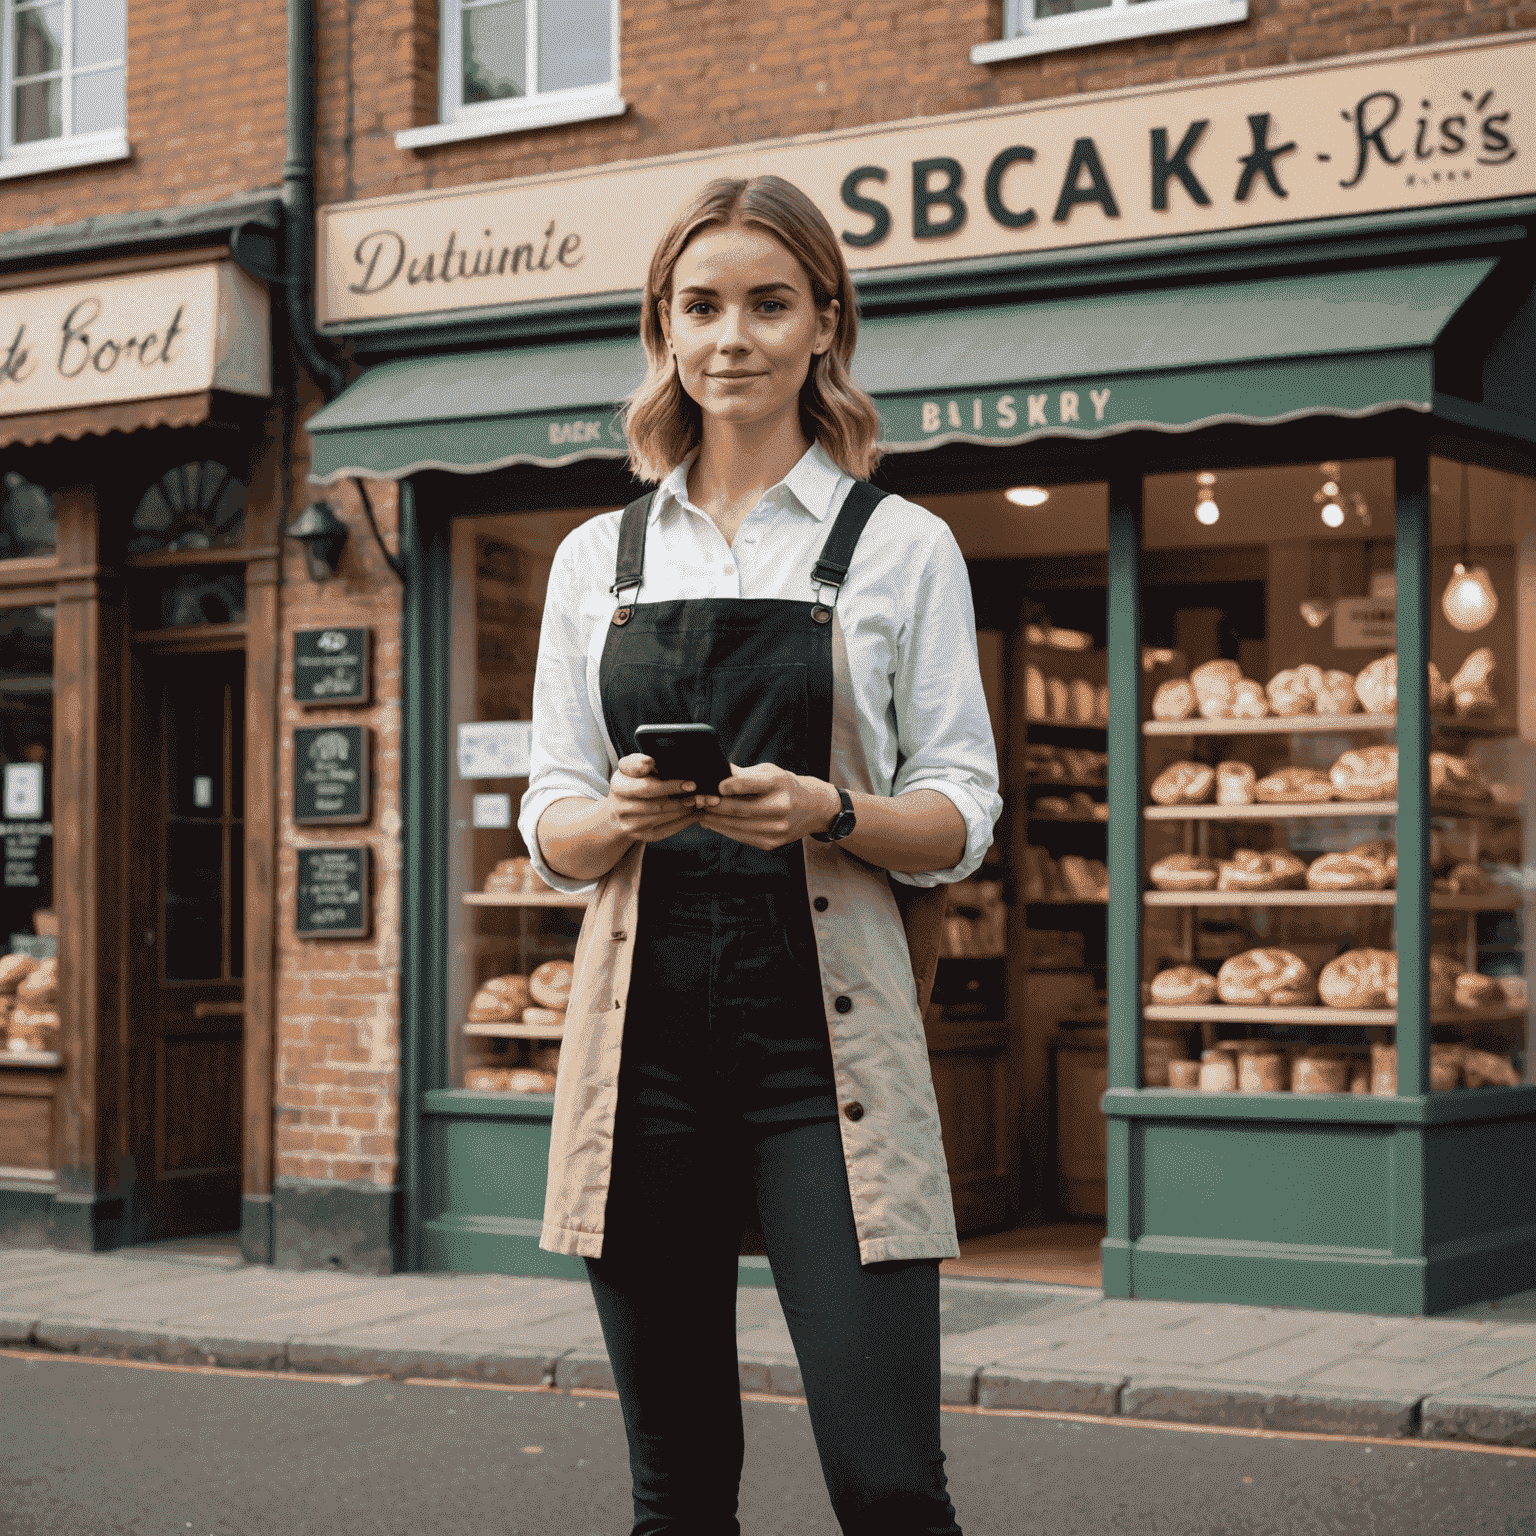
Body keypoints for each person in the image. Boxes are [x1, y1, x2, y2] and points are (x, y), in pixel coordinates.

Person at [520, 174, 1001, 1536]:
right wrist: (616, 817)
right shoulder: (593, 560)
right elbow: (551, 825)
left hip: (823, 1058)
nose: (733, 335)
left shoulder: (903, 547)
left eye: (768, 303)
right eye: (703, 305)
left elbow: (962, 814)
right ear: (663, 330)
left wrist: (830, 813)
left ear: (824, 324)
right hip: (643, 1053)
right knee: (677, 1497)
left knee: (892, 1486)